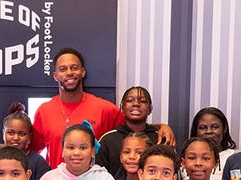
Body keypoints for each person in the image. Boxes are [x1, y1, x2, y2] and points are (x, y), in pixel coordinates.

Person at [30, 47, 174, 168]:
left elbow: (134, 126)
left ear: (83, 72)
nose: (69, 73)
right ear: (56, 76)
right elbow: (30, 151)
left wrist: (161, 127)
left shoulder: (105, 109)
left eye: (74, 68)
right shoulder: (44, 111)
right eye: (63, 69)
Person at [96, 86, 160, 177]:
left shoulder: (160, 139)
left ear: (150, 108)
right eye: (130, 100)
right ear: (122, 107)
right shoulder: (108, 140)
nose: (136, 104)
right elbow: (97, 175)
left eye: (142, 101)